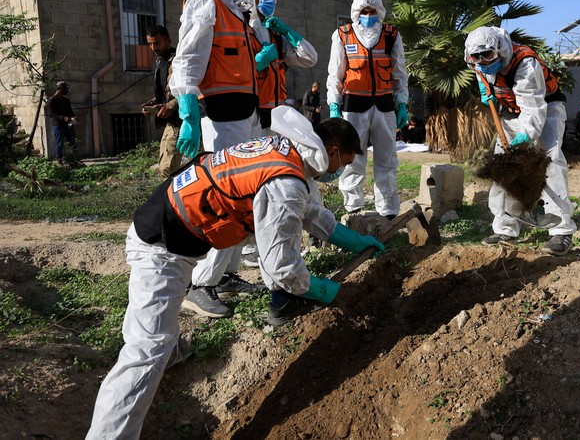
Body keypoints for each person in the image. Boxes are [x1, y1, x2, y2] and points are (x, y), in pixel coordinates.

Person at [86, 107, 385, 439]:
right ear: (331, 152)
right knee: (146, 352)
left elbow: (307, 210)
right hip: (162, 247)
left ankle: (168, 359)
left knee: (157, 341)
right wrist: (318, 289)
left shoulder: (282, 150)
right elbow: (281, 267)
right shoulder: (285, 180)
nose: (337, 172)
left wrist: (352, 240)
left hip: (173, 232)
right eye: (341, 164)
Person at [169, 0, 277, 316]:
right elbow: (188, 57)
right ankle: (201, 281)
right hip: (220, 116)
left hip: (243, 115)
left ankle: (227, 272)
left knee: (245, 193)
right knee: (230, 198)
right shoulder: (207, 1)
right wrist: (186, 105)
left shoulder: (237, 8)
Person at [464, 26, 576, 255]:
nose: (482, 62)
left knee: (550, 162)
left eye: (487, 56)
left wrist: (524, 139)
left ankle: (562, 232)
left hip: (546, 108)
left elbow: (533, 108)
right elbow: (481, 73)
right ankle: (505, 228)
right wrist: (485, 88)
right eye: (477, 58)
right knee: (501, 167)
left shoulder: (525, 62)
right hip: (508, 111)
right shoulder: (476, 60)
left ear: (498, 51)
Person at [326, 0, 409, 218]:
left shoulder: (391, 35)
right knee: (352, 159)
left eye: (372, 11)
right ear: (356, 13)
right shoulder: (342, 35)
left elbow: (400, 73)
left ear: (380, 11)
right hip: (353, 107)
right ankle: (354, 208)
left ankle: (389, 211)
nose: (368, 16)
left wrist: (402, 103)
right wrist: (334, 104)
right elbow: (336, 74)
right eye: (364, 11)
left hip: (384, 106)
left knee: (387, 160)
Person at [252, 0, 318, 133]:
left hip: (275, 113)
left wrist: (287, 32)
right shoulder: (244, 27)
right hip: (251, 112)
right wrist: (258, 62)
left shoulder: (275, 33)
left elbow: (310, 58)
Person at [142, 25, 181, 179]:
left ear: (168, 41)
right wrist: (152, 105)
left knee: (168, 169)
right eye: (150, 44)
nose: (153, 47)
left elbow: (188, 90)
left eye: (157, 43)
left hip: (181, 119)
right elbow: (166, 93)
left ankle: (171, 201)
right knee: (164, 165)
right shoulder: (161, 61)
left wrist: (170, 106)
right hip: (170, 121)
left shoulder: (178, 60)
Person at [45, 81, 79, 164]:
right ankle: (59, 160)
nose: (67, 90)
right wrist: (63, 118)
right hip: (58, 125)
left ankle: (74, 159)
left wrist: (73, 117)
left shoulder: (65, 100)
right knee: (59, 143)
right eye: (66, 88)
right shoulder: (51, 100)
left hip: (68, 124)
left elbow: (70, 111)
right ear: (60, 88)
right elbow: (52, 114)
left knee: (72, 142)